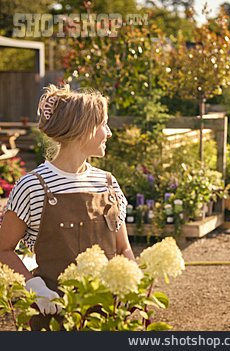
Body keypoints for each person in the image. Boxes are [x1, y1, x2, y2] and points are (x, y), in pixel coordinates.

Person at [0, 84, 134, 329]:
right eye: (103, 124)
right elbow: (4, 248)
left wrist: (131, 289)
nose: (109, 133)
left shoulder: (107, 183)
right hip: (53, 314)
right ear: (83, 129)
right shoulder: (33, 186)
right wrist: (35, 287)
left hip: (104, 316)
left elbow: (123, 248)